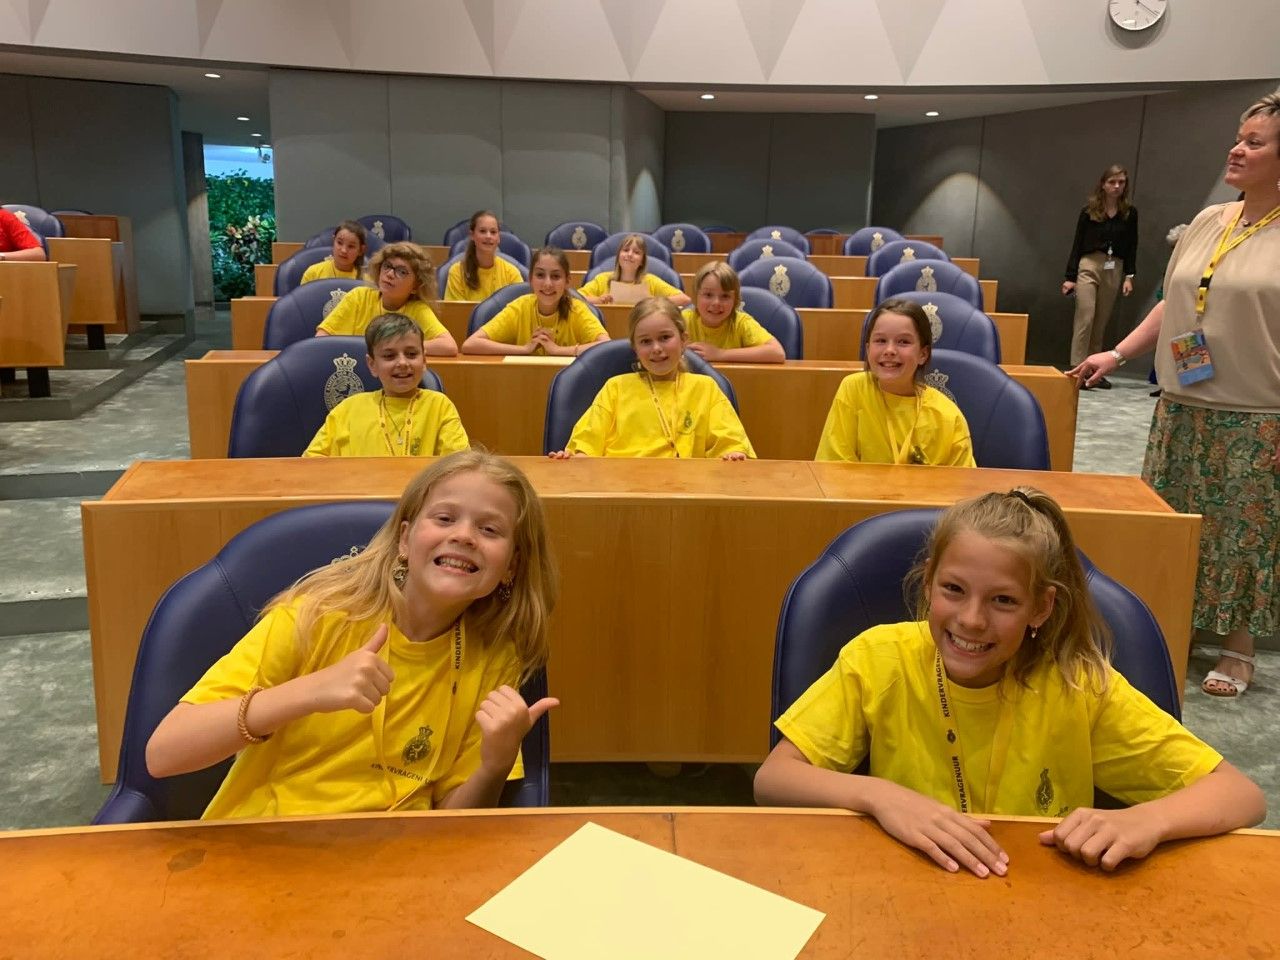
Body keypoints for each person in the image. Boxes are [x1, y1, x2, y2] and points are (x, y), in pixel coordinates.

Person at [755, 487, 1266, 875]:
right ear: (929, 580)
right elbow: (773, 780)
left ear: (1041, 607)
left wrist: (1146, 820)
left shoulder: (1078, 684)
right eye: (953, 589)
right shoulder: (878, 658)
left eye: (1003, 601)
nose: (972, 621)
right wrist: (882, 796)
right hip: (906, 883)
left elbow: (1241, 795)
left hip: (1042, 890)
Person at [145, 450, 559, 818]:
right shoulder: (318, 616)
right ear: (404, 539)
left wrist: (495, 763)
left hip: (398, 863)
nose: (464, 536)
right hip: (269, 845)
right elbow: (164, 753)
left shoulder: (494, 655)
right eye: (445, 518)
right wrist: (308, 691)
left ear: (511, 567)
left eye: (490, 530)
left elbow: (452, 822)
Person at [1071, 91, 1280, 698]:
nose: (1236, 149)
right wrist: (1117, 352)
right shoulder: (1210, 221)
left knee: (1246, 532)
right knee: (1176, 521)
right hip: (1183, 404)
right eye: (1238, 138)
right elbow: (1174, 303)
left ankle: (1238, 647)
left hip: (1258, 413)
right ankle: (1174, 624)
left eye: (1254, 143)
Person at [548, 297, 755, 460]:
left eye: (665, 338)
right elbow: (587, 442)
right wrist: (576, 457)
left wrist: (734, 454)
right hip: (622, 491)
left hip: (687, 493)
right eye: (645, 341)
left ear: (683, 340)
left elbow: (731, 442)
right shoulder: (615, 388)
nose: (656, 348)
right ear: (635, 349)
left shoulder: (706, 388)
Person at [814, 299, 975, 466]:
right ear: (868, 349)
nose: (889, 350)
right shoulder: (853, 389)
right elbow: (832, 468)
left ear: (923, 354)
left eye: (903, 342)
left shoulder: (948, 417)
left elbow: (962, 486)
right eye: (881, 341)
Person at [303, 313, 470, 458]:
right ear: (372, 365)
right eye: (389, 356)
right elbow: (312, 463)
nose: (403, 362)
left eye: (411, 354)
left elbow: (458, 466)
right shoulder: (347, 410)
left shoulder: (440, 406)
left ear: (424, 360)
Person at [1061, 165, 1139, 388]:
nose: (1116, 187)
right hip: (1089, 264)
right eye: (1112, 182)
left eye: (1121, 182)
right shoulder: (1089, 211)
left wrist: (1129, 276)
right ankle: (1078, 368)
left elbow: (1133, 245)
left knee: (1101, 320)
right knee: (1085, 316)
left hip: (1114, 267)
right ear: (1103, 184)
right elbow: (1077, 244)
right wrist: (1070, 276)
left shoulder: (1129, 213)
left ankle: (1094, 370)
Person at [462, 247, 609, 357]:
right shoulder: (520, 307)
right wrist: (524, 349)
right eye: (540, 275)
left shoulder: (577, 309)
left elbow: (605, 345)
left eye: (556, 276)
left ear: (567, 282)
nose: (547, 284)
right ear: (531, 279)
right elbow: (470, 344)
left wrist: (558, 350)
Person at [316, 242, 457, 355]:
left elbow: (448, 346)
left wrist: (396, 347)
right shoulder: (358, 297)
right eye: (387, 266)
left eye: (402, 272)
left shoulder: (417, 310)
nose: (389, 274)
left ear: (416, 285)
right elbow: (322, 337)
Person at [680, 262, 784, 363]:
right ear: (695, 296)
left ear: (735, 300)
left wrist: (720, 354)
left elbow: (778, 353)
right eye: (708, 295)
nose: (716, 303)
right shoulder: (684, 320)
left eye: (725, 296)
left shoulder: (741, 322)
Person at [578, 233, 690, 307]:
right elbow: (575, 298)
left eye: (636, 252)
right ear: (618, 256)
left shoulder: (651, 281)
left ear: (642, 261)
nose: (630, 254)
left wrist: (655, 301)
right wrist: (598, 300)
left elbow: (684, 299)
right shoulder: (602, 279)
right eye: (625, 250)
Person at [443, 210, 524, 302]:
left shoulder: (511, 273)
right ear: (472, 235)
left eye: (493, 232)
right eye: (482, 231)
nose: (488, 236)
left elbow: (520, 309)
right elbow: (454, 313)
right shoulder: (457, 272)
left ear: (498, 238)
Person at [300, 220, 367, 283]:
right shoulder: (313, 273)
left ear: (361, 250)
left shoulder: (367, 280)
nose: (344, 250)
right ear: (333, 241)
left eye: (351, 246)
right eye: (339, 243)